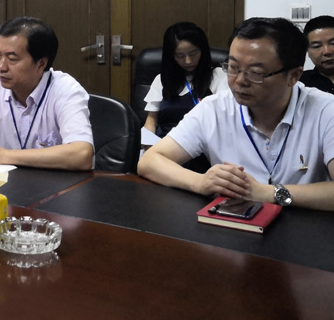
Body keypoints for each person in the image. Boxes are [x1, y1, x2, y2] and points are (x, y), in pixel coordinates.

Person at [139, 17, 334, 211]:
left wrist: (270, 193)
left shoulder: (326, 110)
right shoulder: (214, 109)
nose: (239, 81)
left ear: (293, 76)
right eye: (233, 68)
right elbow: (149, 161)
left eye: (255, 72)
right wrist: (201, 182)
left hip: (307, 224)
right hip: (234, 223)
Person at [0, 17, 93, 170]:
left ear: (41, 64)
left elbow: (82, 154)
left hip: (58, 182)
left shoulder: (66, 90)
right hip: (9, 181)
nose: (1, 67)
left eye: (12, 58)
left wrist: (2, 155)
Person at [143, 22, 228, 136]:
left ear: (202, 51)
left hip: (202, 142)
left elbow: (224, 121)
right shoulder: (162, 80)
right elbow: (151, 122)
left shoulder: (219, 76)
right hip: (164, 142)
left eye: (193, 54)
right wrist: (146, 142)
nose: (188, 61)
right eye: (180, 56)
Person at [301, 15, 334, 94]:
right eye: (317, 46)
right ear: (308, 51)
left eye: (333, 43)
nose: (327, 51)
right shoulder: (299, 84)